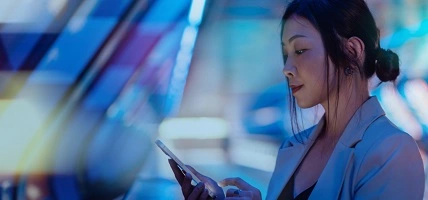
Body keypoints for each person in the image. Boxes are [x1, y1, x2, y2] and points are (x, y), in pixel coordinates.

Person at [167, 0, 425, 199]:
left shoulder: (393, 151)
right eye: (286, 54)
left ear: (352, 50)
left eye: (300, 50)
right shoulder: (292, 147)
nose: (287, 68)